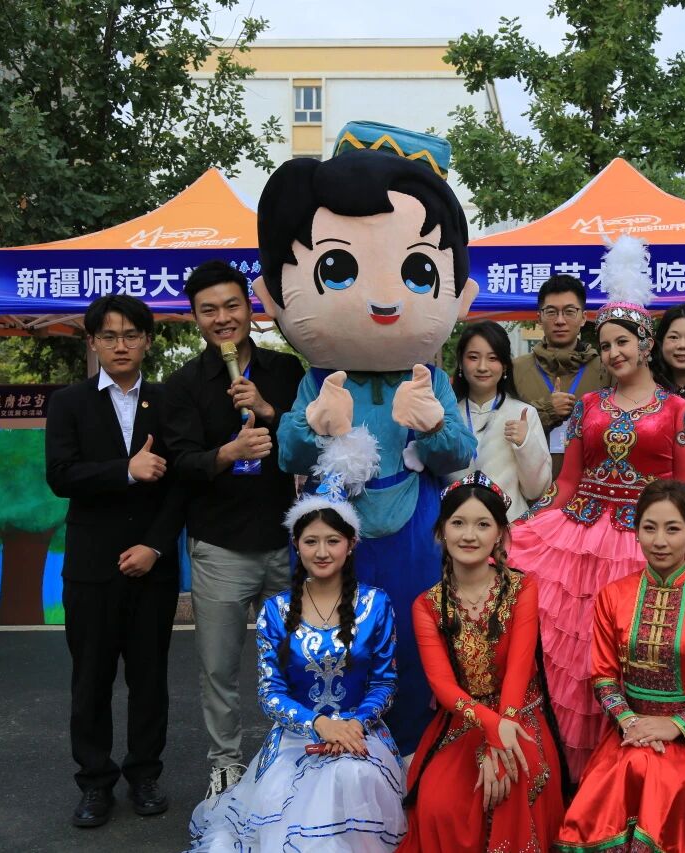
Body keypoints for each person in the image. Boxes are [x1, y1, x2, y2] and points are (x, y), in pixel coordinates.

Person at [259, 126, 478, 755]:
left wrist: (432, 424)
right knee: (339, 650)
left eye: (416, 271)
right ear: (273, 296)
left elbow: (460, 455)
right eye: (336, 268)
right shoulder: (317, 380)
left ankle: (412, 762)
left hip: (415, 530)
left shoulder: (430, 377)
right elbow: (289, 456)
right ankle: (340, 754)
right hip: (335, 537)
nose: (383, 299)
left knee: (417, 643)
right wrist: (313, 424)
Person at [508, 236, 685, 779]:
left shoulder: (678, 409)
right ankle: (583, 782)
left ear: (645, 345)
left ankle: (648, 773)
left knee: (646, 657)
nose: (614, 353)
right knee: (578, 663)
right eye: (605, 345)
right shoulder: (588, 405)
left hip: (649, 541)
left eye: (623, 342)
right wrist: (529, 525)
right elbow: (567, 482)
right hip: (580, 543)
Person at [188, 428, 406, 852]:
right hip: (295, 738)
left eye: (333, 540)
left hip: (361, 733)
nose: (322, 551)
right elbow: (270, 694)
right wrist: (319, 724)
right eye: (311, 541)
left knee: (352, 775)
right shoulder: (275, 610)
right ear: (296, 544)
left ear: (351, 544)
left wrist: (353, 724)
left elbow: (384, 682)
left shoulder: (376, 604)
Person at [556, 479, 685, 853]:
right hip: (630, 733)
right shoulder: (612, 596)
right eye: (649, 528)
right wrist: (631, 724)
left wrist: (675, 726)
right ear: (636, 531)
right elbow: (604, 678)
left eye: (672, 529)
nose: (659, 541)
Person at [163, 260, 305, 797]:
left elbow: (309, 439)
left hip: (284, 541)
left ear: (250, 308)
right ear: (194, 317)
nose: (222, 318)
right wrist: (229, 452)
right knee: (219, 668)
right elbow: (180, 463)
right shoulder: (183, 385)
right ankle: (225, 761)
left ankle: (290, 755)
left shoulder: (285, 370)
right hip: (219, 544)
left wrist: (267, 409)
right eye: (209, 310)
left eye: (231, 306)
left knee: (292, 658)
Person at [44, 295, 186, 827]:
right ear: (92, 342)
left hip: (153, 563)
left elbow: (182, 484)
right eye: (109, 336)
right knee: (91, 679)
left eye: (130, 335)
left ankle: (144, 774)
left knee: (150, 678)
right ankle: (94, 782)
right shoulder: (69, 403)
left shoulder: (169, 400)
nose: (120, 345)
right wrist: (126, 469)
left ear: (147, 340)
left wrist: (155, 546)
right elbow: (61, 475)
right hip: (92, 566)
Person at [400, 472, 564, 851]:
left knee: (516, 784)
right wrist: (491, 729)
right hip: (463, 718)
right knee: (440, 804)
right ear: (441, 531)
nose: (469, 535)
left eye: (482, 524)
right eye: (458, 523)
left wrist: (501, 739)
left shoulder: (523, 588)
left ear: (500, 534)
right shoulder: (427, 605)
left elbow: (519, 671)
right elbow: (443, 687)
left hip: (520, 715)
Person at [448, 321, 551, 518]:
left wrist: (526, 444)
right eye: (473, 357)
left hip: (509, 526)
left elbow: (536, 491)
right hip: (456, 526)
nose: (482, 367)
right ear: (461, 362)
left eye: (493, 358)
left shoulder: (523, 414)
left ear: (504, 366)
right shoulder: (447, 415)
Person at [511, 274, 608, 477]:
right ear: (539, 317)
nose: (560, 321)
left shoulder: (605, 369)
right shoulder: (517, 369)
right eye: (551, 312)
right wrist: (548, 410)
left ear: (584, 317)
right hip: (532, 486)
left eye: (569, 312)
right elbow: (504, 426)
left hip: (591, 486)